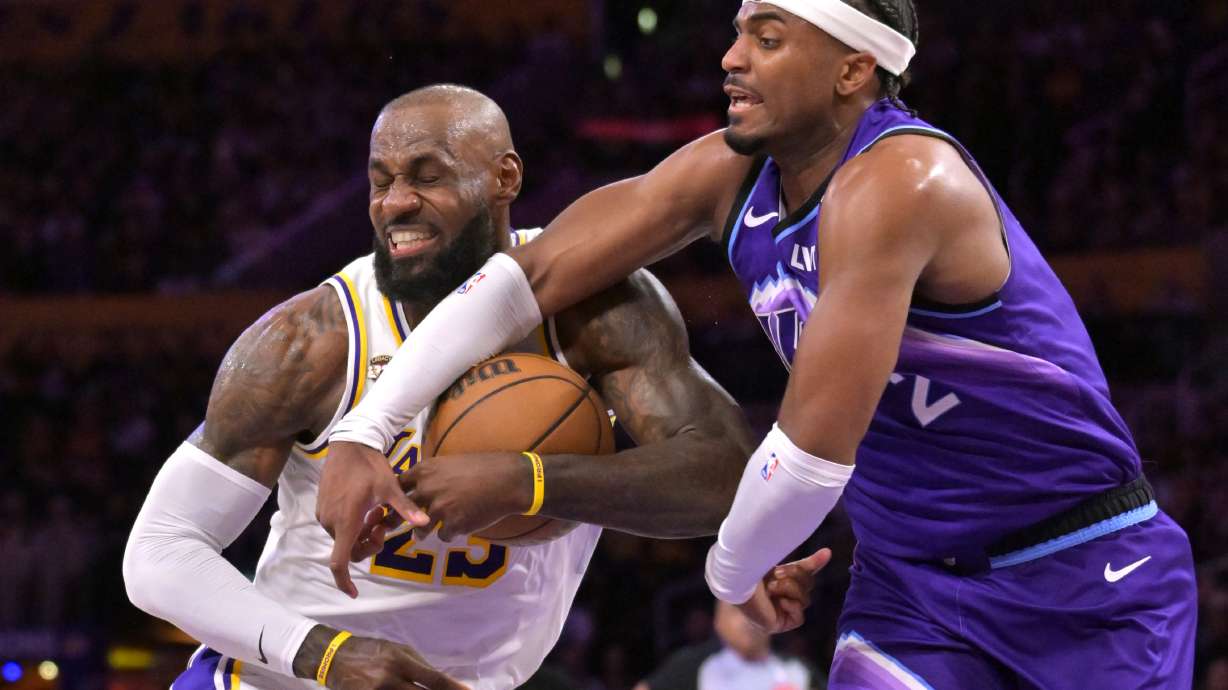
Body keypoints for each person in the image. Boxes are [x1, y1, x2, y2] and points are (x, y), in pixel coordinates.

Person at [316, 2, 1198, 688]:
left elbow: (812, 456)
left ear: (854, 66)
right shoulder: (729, 172)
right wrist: (367, 427)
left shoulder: (904, 180)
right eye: (738, 33)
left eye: (768, 38)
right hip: (911, 585)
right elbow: (528, 278)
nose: (731, 58)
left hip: (1082, 570)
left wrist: (731, 566)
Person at [123, 85, 825, 690]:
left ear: (504, 178)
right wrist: (323, 654)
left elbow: (727, 468)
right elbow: (159, 551)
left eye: (426, 175)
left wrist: (527, 481)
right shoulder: (312, 340)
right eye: (380, 179)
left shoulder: (594, 309)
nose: (395, 202)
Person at [635, 601, 823, 690]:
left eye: (756, 610)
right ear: (718, 621)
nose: (748, 620)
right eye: (738, 610)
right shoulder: (695, 665)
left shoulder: (797, 668)